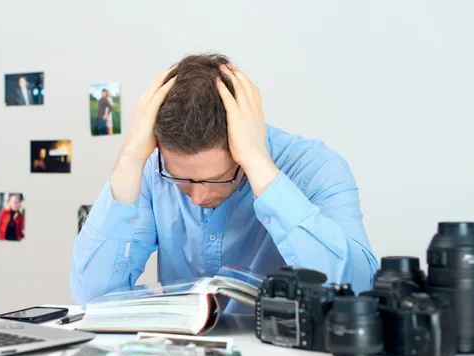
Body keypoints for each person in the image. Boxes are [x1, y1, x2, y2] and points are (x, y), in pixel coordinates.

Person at [71, 53, 378, 311]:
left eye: (217, 179)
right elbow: (94, 298)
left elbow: (356, 288)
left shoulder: (317, 167)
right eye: (182, 179)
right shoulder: (154, 171)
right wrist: (130, 159)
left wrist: (259, 167)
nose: (198, 197)